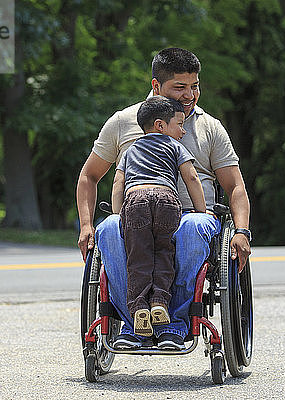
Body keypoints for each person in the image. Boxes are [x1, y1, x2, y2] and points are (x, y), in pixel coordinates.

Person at [76, 47, 251, 351]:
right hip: (136, 214)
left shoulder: (210, 127)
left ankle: (175, 323)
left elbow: (235, 185)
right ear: (156, 85)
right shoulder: (123, 122)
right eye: (180, 87)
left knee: (192, 227)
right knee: (108, 231)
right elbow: (89, 177)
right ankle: (135, 322)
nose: (190, 94)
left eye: (195, 85)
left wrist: (241, 231)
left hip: (190, 217)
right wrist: (86, 225)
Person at [111, 96, 206, 337]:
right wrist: (201, 211)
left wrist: (117, 214)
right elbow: (192, 178)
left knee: (138, 256)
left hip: (135, 200)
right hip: (166, 200)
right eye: (180, 125)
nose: (183, 131)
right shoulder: (175, 147)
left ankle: (139, 307)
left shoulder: (131, 150)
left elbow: (117, 182)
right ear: (161, 126)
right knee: (164, 251)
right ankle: (160, 303)